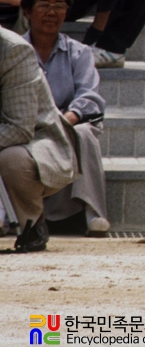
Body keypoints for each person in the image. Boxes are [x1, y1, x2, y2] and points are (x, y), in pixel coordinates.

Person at [21, 0, 108, 237]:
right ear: (27, 11)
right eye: (44, 4)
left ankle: (95, 216)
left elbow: (89, 95)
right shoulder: (13, 51)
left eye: (59, 5)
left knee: (84, 132)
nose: (52, 12)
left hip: (67, 124)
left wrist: (67, 118)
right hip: (24, 125)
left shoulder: (79, 53)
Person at [0, 22, 75, 253]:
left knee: (12, 159)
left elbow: (19, 127)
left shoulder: (13, 50)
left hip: (33, 141)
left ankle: (31, 224)